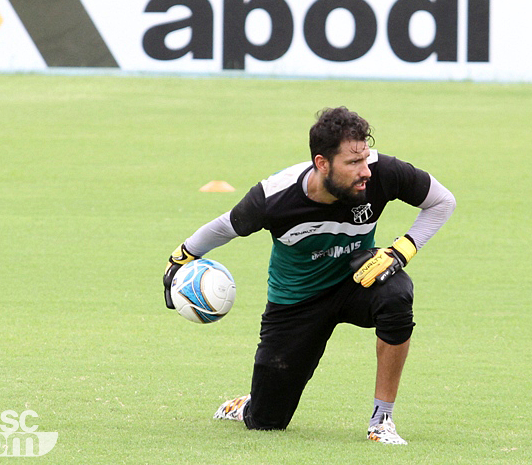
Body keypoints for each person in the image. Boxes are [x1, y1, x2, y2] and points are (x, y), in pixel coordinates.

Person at [163, 106, 455, 444]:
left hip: (356, 281)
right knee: (267, 422)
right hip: (296, 302)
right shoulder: (274, 197)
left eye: (365, 158)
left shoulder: (383, 171)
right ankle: (248, 406)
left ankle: (382, 420)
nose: (366, 172)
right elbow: (225, 227)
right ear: (322, 163)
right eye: (353, 163)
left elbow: (442, 202)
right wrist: (181, 256)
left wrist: (401, 250)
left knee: (397, 294)